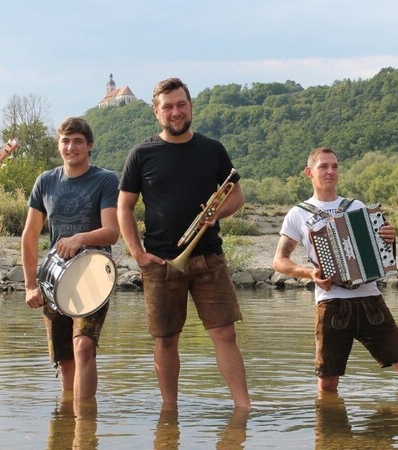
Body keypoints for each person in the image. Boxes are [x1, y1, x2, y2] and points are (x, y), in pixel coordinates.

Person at [117, 77, 250, 409]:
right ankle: (169, 410)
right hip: (160, 262)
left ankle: (244, 407)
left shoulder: (212, 149)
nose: (175, 112)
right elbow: (125, 206)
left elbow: (237, 196)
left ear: (190, 107)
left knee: (225, 334)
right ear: (156, 112)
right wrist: (138, 254)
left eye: (181, 105)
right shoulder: (141, 154)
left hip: (209, 258)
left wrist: (216, 215)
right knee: (165, 340)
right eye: (168, 107)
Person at [273, 147, 398, 393]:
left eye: (334, 166)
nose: (330, 171)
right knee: (328, 382)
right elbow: (279, 261)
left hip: (370, 298)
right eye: (323, 166)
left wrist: (389, 237)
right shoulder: (298, 214)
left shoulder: (356, 206)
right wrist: (310, 274)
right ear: (309, 172)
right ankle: (331, 432)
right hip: (331, 302)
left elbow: (380, 250)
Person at [21, 117, 119, 399]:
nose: (71, 147)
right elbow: (29, 235)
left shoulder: (106, 180)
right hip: (54, 277)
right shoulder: (45, 181)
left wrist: (80, 238)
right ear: (58, 145)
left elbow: (112, 232)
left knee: (84, 346)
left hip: (94, 275)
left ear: (89, 146)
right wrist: (30, 284)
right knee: (65, 358)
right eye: (65, 141)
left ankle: (85, 421)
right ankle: (69, 421)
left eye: (78, 141)